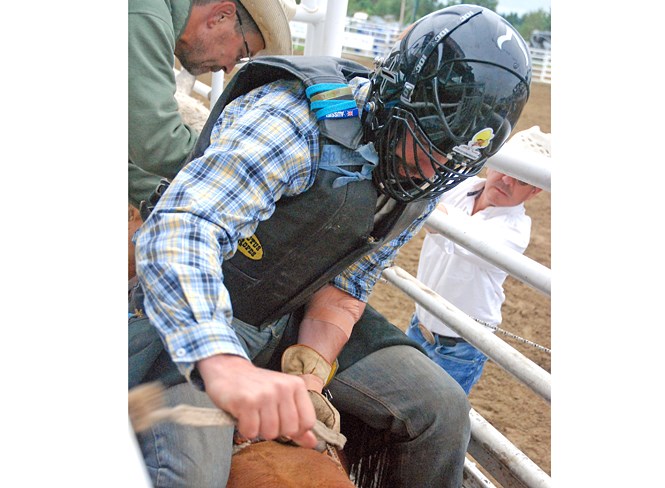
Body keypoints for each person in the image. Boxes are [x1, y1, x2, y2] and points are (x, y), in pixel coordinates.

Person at [130, 5, 533, 487]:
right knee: (192, 475)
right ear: (396, 100)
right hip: (192, 313)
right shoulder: (294, 119)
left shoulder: (422, 177)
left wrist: (311, 372)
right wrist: (223, 363)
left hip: (288, 314)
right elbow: (182, 227)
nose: (433, 170)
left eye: (454, 157)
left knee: (443, 411)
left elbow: (349, 281)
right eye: (429, 143)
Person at [128, 0, 296, 278]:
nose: (229, 68)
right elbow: (158, 144)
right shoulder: (143, 16)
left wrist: (163, 195)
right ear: (221, 15)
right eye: (242, 52)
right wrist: (240, 179)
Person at [406, 128, 548, 395]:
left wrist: (420, 194)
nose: (506, 180)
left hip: (460, 345)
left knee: (436, 420)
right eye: (503, 168)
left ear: (534, 191)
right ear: (491, 163)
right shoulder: (464, 185)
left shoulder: (514, 231)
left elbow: (447, 225)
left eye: (520, 179)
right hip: (422, 322)